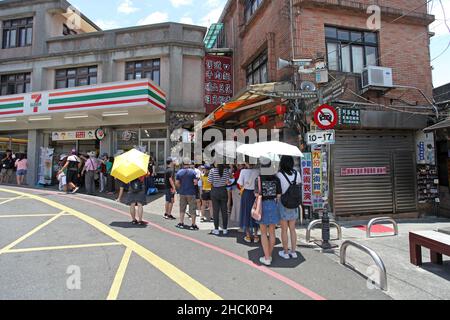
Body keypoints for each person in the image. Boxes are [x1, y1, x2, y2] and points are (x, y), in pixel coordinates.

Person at [255, 159, 282, 266]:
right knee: (272, 233)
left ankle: (266, 257)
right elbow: (279, 195)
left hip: (262, 205)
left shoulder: (259, 179)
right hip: (273, 205)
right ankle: (268, 255)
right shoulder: (276, 179)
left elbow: (256, 195)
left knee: (263, 233)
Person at [276, 156, 301, 259]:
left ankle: (285, 252)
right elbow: (298, 187)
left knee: (284, 229)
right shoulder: (297, 174)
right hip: (294, 203)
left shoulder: (279, 175)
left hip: (283, 203)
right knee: (292, 229)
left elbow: (278, 192)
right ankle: (293, 251)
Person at [238, 163, 260, 243]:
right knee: (256, 212)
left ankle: (248, 235)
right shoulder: (258, 171)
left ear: (246, 163)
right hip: (255, 194)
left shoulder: (243, 171)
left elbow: (240, 184)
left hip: (247, 193)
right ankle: (256, 235)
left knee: (246, 213)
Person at [208, 163, 232, 235]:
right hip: (223, 190)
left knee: (216, 211)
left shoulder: (212, 171)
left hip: (215, 190)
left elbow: (209, 181)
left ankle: (216, 229)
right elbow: (227, 182)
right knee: (224, 211)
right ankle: (225, 229)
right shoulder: (226, 171)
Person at [175, 160, 199, 230]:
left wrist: (180, 188)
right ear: (188, 164)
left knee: (182, 208)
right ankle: (193, 224)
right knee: (192, 209)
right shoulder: (193, 172)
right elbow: (195, 183)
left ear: (183, 164)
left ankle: (181, 222)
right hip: (191, 193)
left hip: (182, 193)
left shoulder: (179, 172)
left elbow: (177, 183)